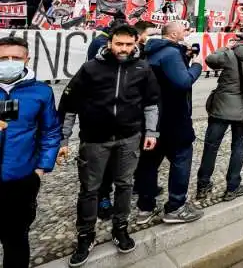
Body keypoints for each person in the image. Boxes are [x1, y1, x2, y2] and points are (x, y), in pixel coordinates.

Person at [58, 25, 160, 266]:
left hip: (129, 137)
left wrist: (151, 132)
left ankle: (120, 228)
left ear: (136, 43)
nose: (123, 49)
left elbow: (151, 103)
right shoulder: (90, 68)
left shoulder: (142, 68)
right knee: (90, 189)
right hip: (94, 139)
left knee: (125, 184)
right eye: (118, 44)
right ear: (110, 42)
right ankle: (86, 235)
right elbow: (69, 105)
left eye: (128, 44)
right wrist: (63, 139)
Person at [0, 36, 61, 268]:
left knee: (16, 238)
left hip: (21, 179)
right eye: (3, 58)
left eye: (15, 58)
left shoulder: (40, 92)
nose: (9, 62)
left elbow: (50, 131)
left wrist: (41, 169)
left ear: (27, 59)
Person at [135, 21, 203, 225]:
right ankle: (176, 206)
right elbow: (183, 82)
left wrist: (185, 55)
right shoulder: (171, 54)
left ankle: (145, 208)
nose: (187, 31)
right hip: (173, 117)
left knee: (149, 162)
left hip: (152, 118)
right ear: (173, 34)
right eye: (184, 29)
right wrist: (197, 65)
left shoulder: (152, 50)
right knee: (182, 157)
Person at [196, 30, 243, 201]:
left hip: (221, 109)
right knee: (238, 148)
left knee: (211, 147)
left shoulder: (230, 53)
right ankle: (232, 188)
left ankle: (203, 186)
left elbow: (210, 60)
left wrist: (225, 47)